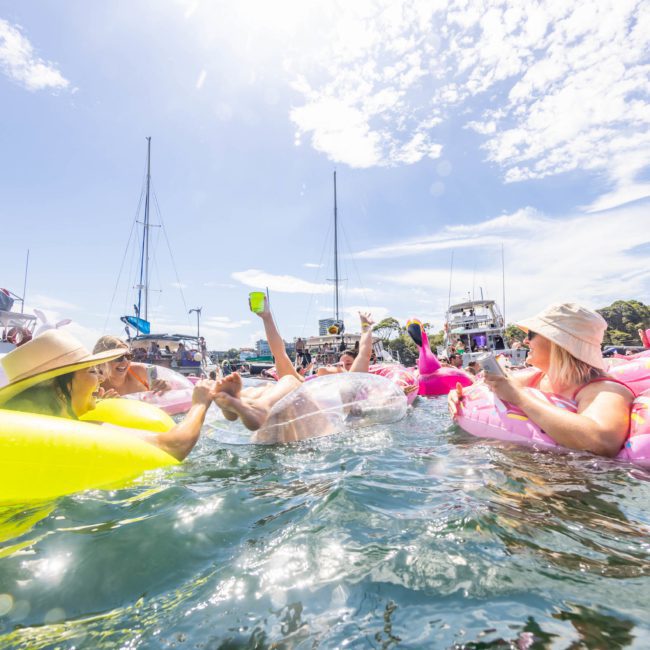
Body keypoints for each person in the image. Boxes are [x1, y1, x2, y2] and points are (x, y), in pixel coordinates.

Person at [450, 303, 634, 457]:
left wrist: (518, 397)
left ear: (557, 343)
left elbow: (602, 441)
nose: (524, 341)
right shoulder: (537, 377)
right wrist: (457, 395)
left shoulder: (604, 389)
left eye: (531, 334)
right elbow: (481, 387)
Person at [0, 330, 217, 460]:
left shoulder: (27, 428)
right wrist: (200, 403)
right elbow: (174, 446)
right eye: (92, 371)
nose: (99, 379)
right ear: (58, 387)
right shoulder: (78, 431)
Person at [212, 296, 376, 441]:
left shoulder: (350, 385)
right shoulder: (303, 384)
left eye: (347, 364)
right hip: (275, 435)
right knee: (270, 386)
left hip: (319, 434)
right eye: (339, 362)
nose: (339, 365)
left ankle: (248, 407)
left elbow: (364, 353)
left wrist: (365, 327)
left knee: (288, 381)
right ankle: (234, 406)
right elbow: (279, 353)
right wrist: (266, 317)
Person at [93, 336, 171, 396]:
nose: (125, 362)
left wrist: (165, 386)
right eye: (118, 357)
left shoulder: (139, 372)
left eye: (128, 356)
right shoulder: (94, 386)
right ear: (102, 360)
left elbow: (167, 391)